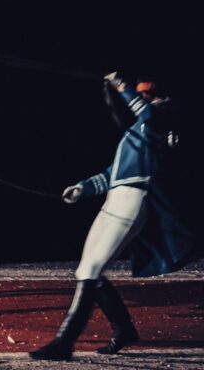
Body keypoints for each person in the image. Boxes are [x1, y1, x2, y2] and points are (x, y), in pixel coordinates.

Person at [29, 72, 195, 361]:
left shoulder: (156, 121)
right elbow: (111, 175)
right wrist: (82, 187)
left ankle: (64, 342)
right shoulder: (136, 132)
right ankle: (123, 328)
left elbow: (140, 107)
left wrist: (120, 84)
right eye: (139, 92)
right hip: (114, 200)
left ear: (158, 98)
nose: (140, 97)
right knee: (86, 271)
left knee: (91, 270)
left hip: (133, 199)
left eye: (146, 93)